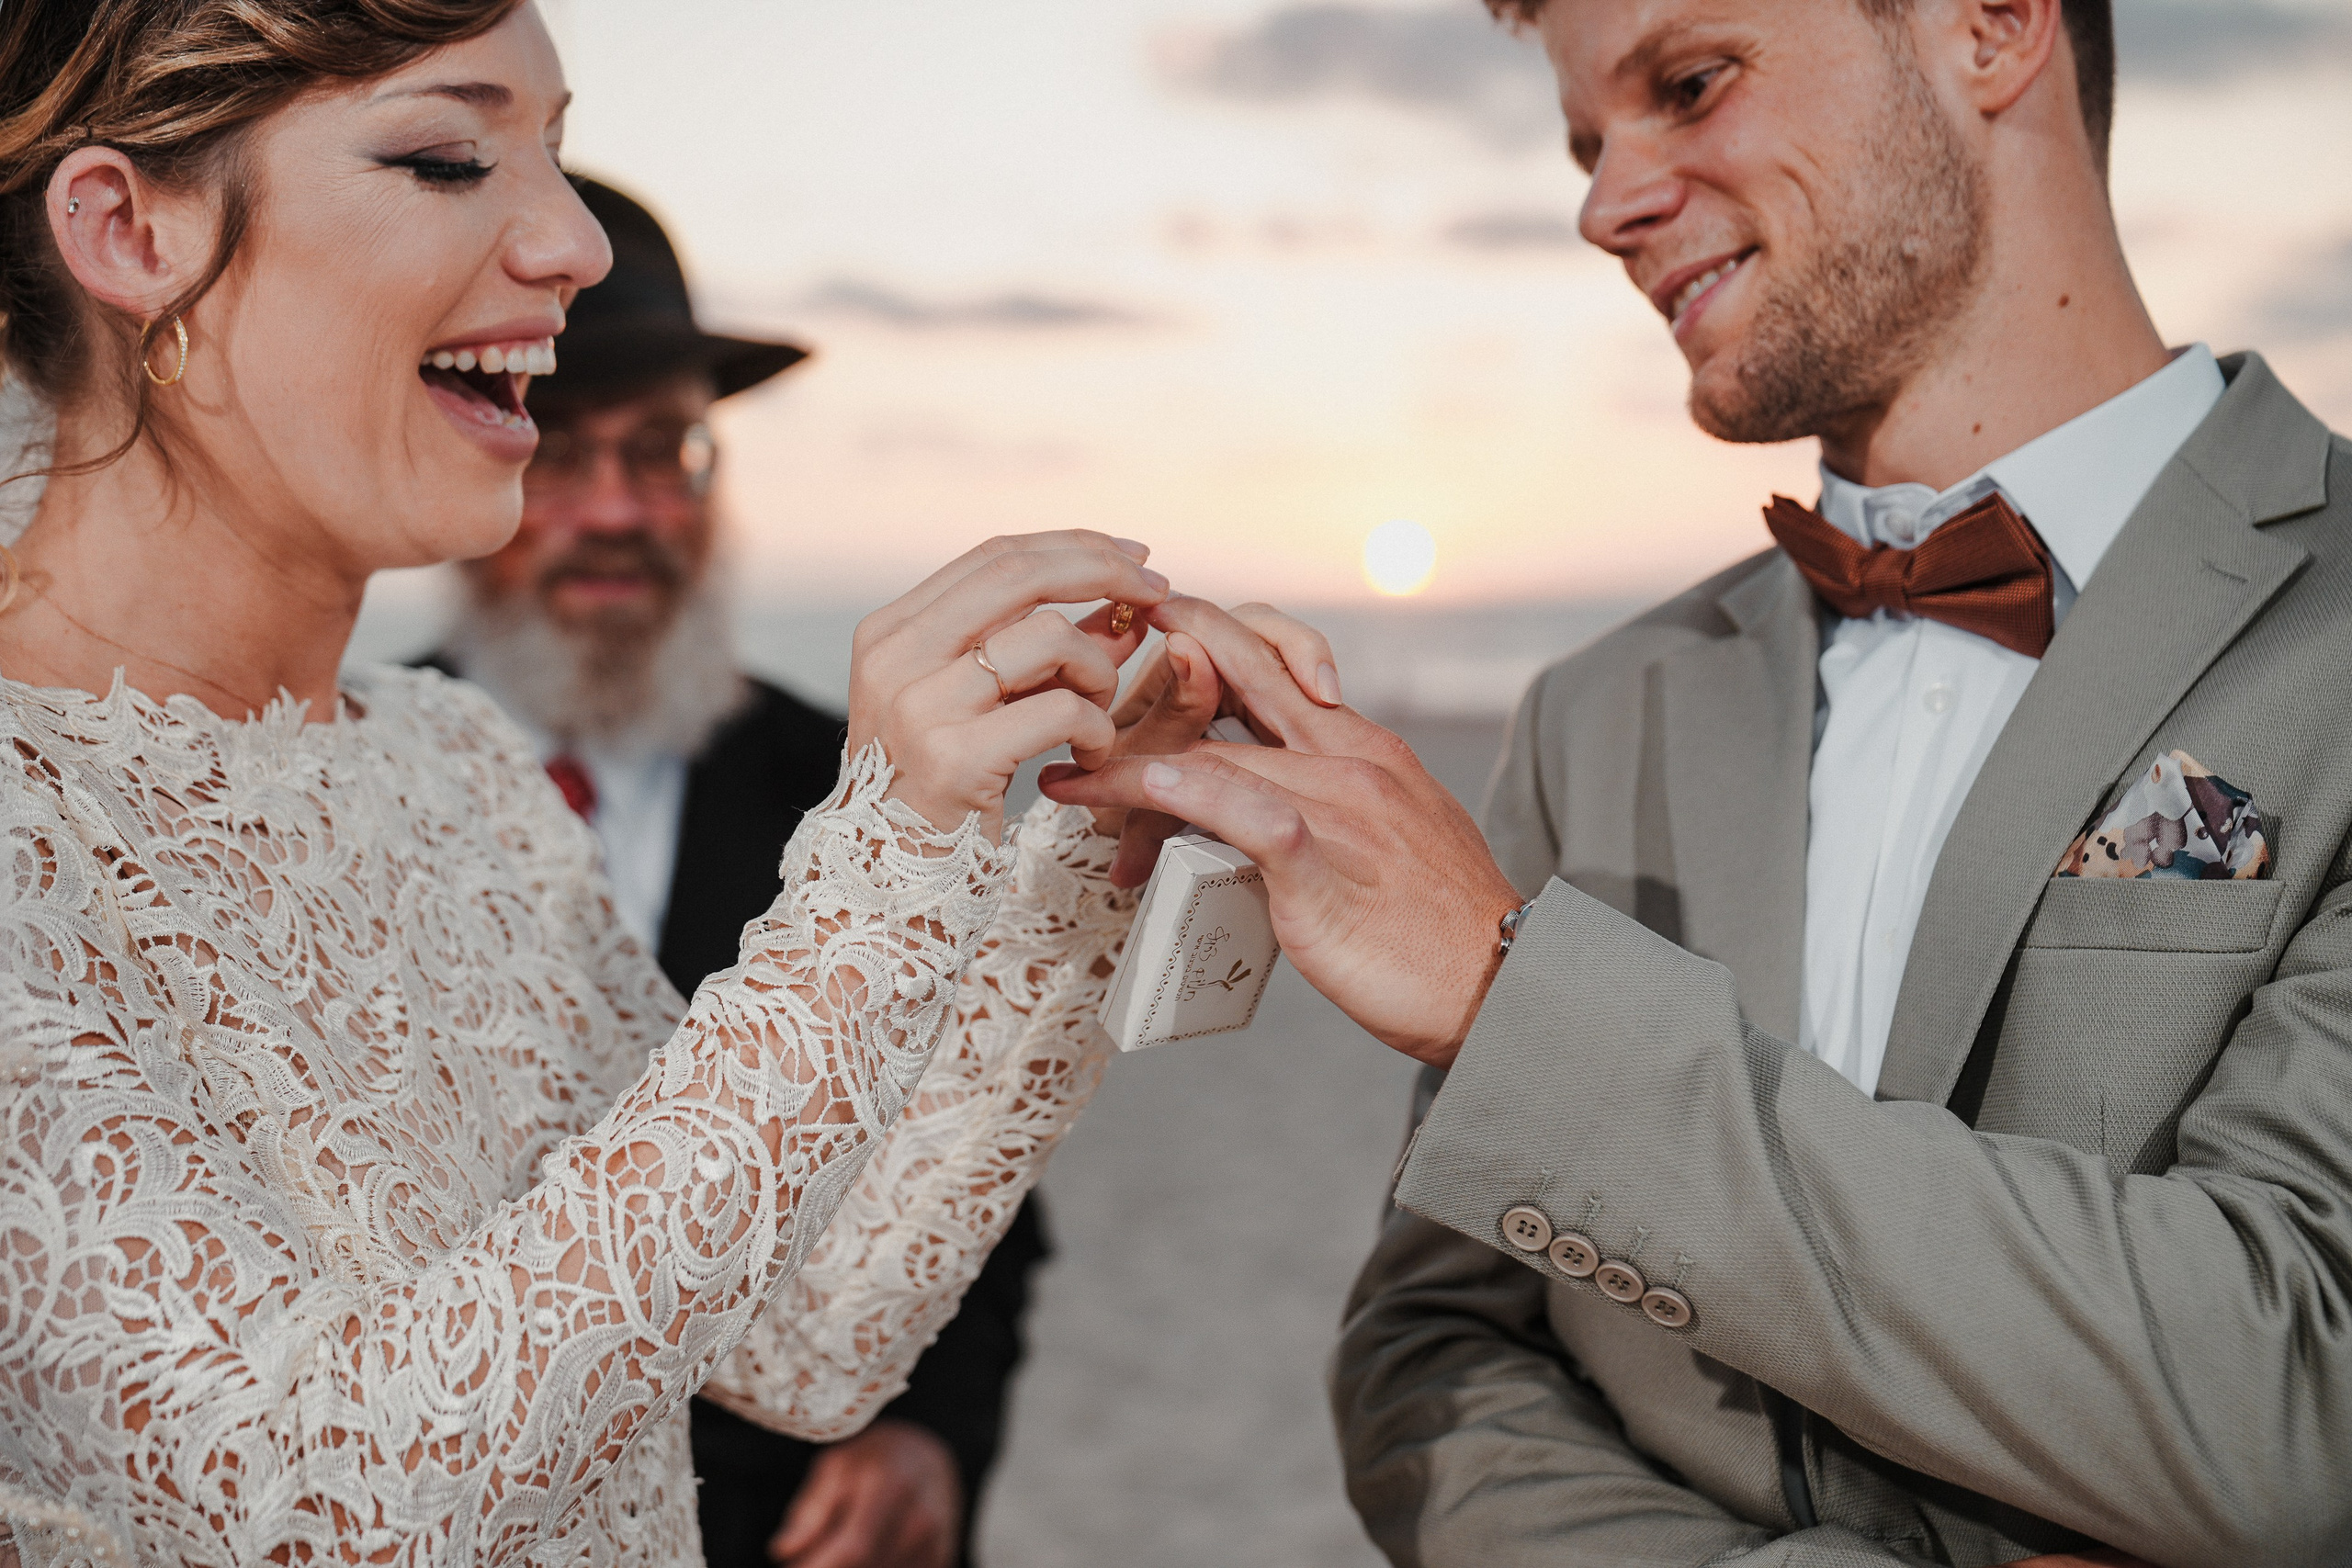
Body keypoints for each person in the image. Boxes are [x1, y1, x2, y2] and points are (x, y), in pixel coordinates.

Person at [0, 4, 1329, 1562]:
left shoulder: (458, 763)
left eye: (555, 159)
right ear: (128, 228)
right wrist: (878, 862)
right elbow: (331, 1500)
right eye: (448, 155)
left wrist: (1075, 868)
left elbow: (800, 1340)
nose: (567, 242)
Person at [1046, 0, 2352, 1562]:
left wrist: (1508, 989)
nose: (1604, 206)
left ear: (1995, 28)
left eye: (1690, 83)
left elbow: (2301, 1402)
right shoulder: (1600, 714)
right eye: (1592, 144)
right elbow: (1432, 1367)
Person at [428, 175, 1046, 1568]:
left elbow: (976, 1187)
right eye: (556, 453)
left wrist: (928, 1436)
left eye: (667, 454)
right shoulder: (328, 774)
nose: (617, 512)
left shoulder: (870, 788)